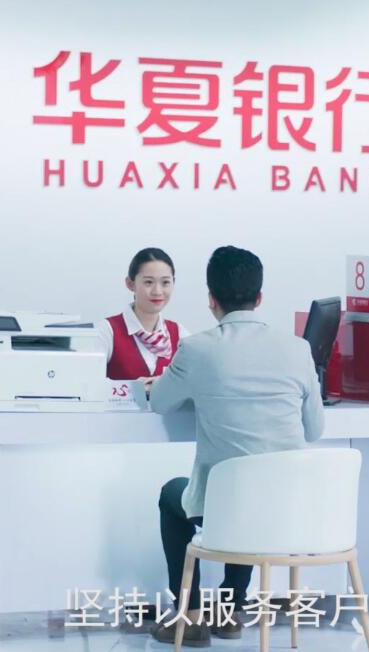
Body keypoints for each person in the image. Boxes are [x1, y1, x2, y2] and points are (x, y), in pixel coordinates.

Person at [148, 246, 324, 646]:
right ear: (259, 298)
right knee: (250, 488)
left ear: (211, 299)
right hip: (285, 508)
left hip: (228, 508)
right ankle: (230, 612)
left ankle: (191, 617)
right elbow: (314, 429)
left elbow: (159, 402)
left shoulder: (197, 349)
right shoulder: (298, 349)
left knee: (175, 494)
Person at [97, 248, 190, 386]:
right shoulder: (107, 331)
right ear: (130, 284)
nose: (157, 291)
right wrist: (135, 388)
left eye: (165, 282)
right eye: (148, 282)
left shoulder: (180, 334)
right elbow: (90, 384)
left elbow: (194, 384)